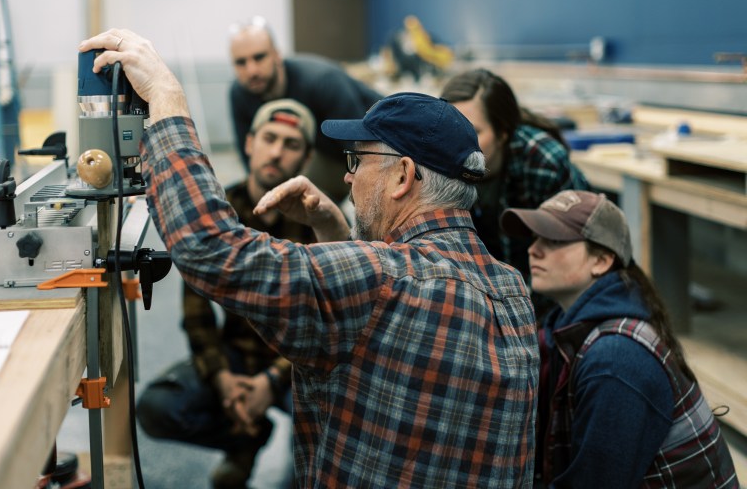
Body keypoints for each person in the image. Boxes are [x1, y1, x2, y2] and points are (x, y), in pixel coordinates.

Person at [80, 29, 540, 488]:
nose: (348, 177)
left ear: (402, 176)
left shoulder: (382, 279)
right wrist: (337, 235)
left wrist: (166, 97)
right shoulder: (514, 293)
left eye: (358, 161)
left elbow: (210, 248)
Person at [500, 190, 739, 488]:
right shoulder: (571, 330)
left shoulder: (616, 360)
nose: (533, 249)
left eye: (555, 240)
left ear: (601, 261)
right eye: (536, 238)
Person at [136, 99, 317, 489]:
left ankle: (304, 465)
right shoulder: (219, 215)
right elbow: (197, 313)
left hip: (296, 365)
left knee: (336, 420)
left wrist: (272, 380)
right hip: (234, 355)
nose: (276, 152)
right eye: (269, 138)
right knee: (157, 408)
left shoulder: (317, 222)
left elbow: (323, 326)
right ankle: (246, 440)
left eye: (291, 144)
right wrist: (220, 377)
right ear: (250, 143)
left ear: (306, 158)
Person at [441, 68, 592, 318]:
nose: (458, 142)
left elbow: (567, 264)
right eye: (451, 129)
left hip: (546, 295)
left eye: (474, 131)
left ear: (502, 133)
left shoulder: (543, 163)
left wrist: (526, 324)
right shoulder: (437, 159)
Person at [228, 16, 383, 203]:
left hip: (378, 144)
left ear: (277, 55)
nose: (251, 70)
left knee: (308, 201)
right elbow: (252, 160)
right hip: (321, 149)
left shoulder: (322, 81)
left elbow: (364, 150)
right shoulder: (240, 93)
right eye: (241, 62)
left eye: (259, 57)